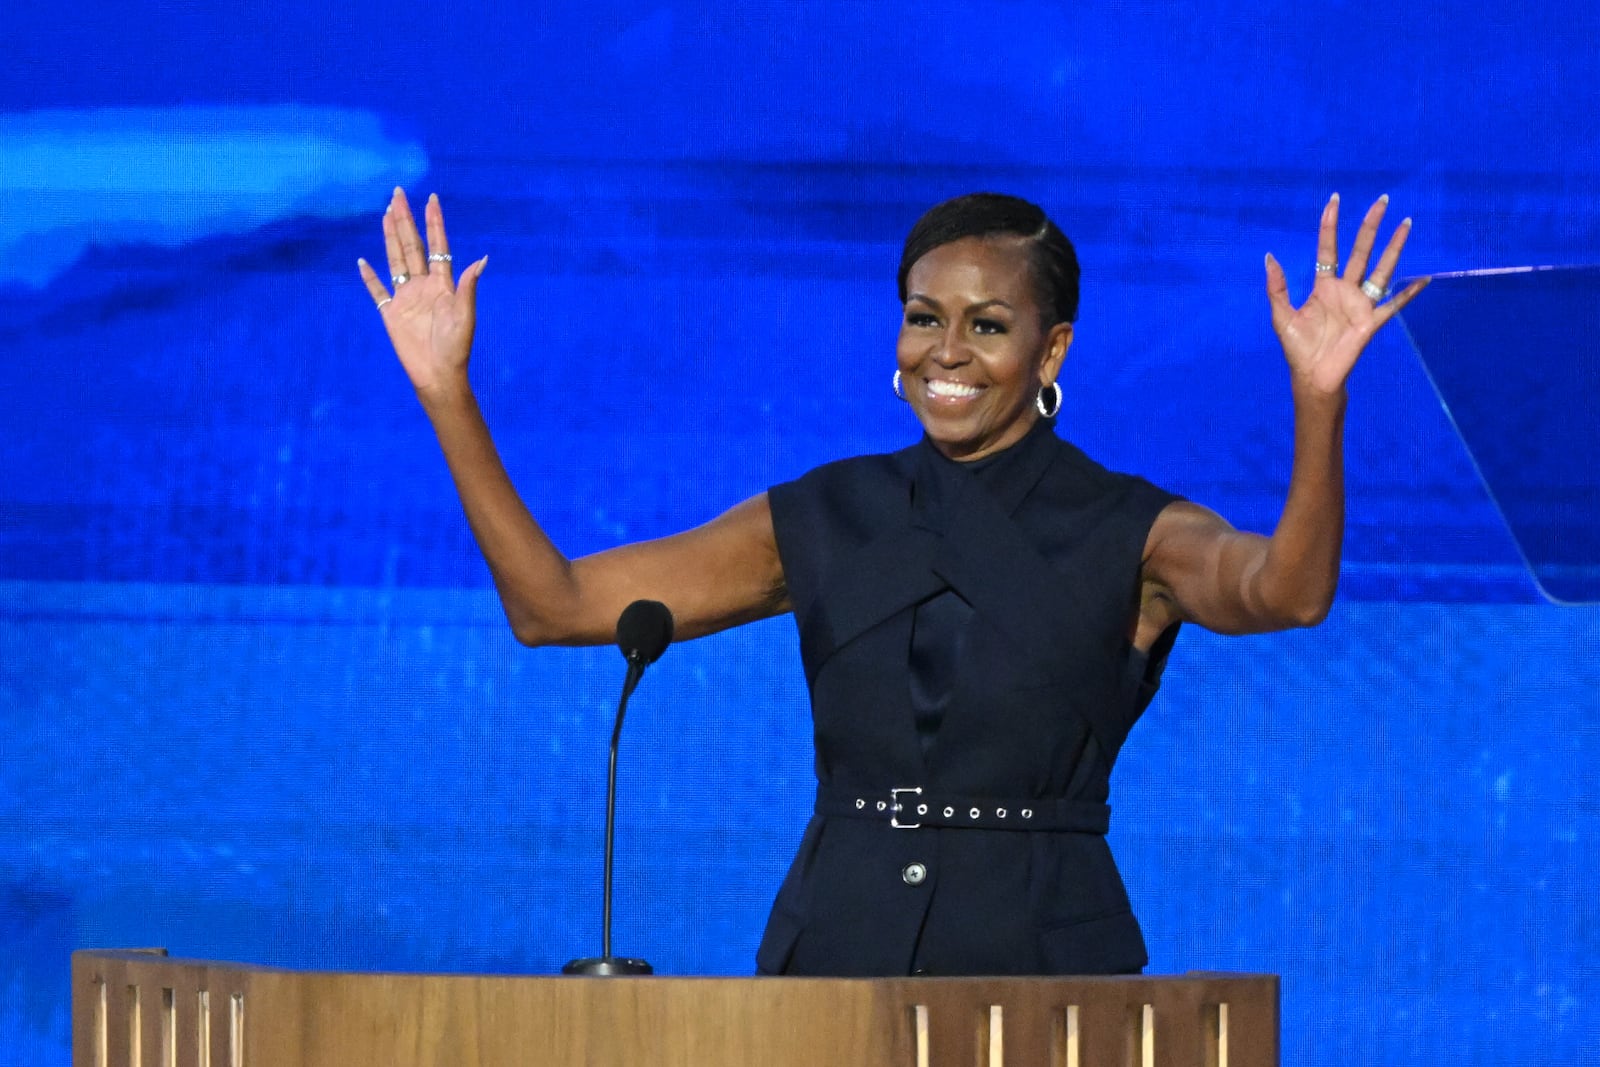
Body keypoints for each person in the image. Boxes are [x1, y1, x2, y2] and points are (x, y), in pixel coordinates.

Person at [357, 188, 1426, 976]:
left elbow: (1284, 591)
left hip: (1042, 969)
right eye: (924, 316)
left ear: (1051, 351)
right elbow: (554, 607)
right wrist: (447, 391)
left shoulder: (1131, 528)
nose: (947, 350)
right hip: (833, 959)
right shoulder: (822, 515)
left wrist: (1318, 396)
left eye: (988, 325)